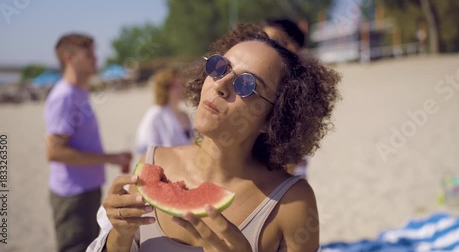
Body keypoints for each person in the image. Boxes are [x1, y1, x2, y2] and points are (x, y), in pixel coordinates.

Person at [87, 24, 341, 252]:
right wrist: (120, 235)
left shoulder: (292, 203)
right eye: (220, 67)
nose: (221, 84)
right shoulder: (152, 162)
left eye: (247, 85)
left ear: (272, 118)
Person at [45, 33, 132, 252]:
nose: (96, 58)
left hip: (87, 189)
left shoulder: (79, 92)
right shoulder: (64, 96)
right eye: (89, 54)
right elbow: (54, 152)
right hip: (73, 195)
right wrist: (110, 158)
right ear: (69, 58)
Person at [263, 18, 309, 177]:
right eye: (261, 38)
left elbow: (291, 158)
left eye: (274, 41)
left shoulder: (298, 95)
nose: (264, 45)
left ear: (294, 48)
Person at [135, 68, 192, 155]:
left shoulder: (184, 114)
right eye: (176, 86)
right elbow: (144, 147)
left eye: (182, 84)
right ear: (164, 89)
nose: (181, 88)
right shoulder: (155, 114)